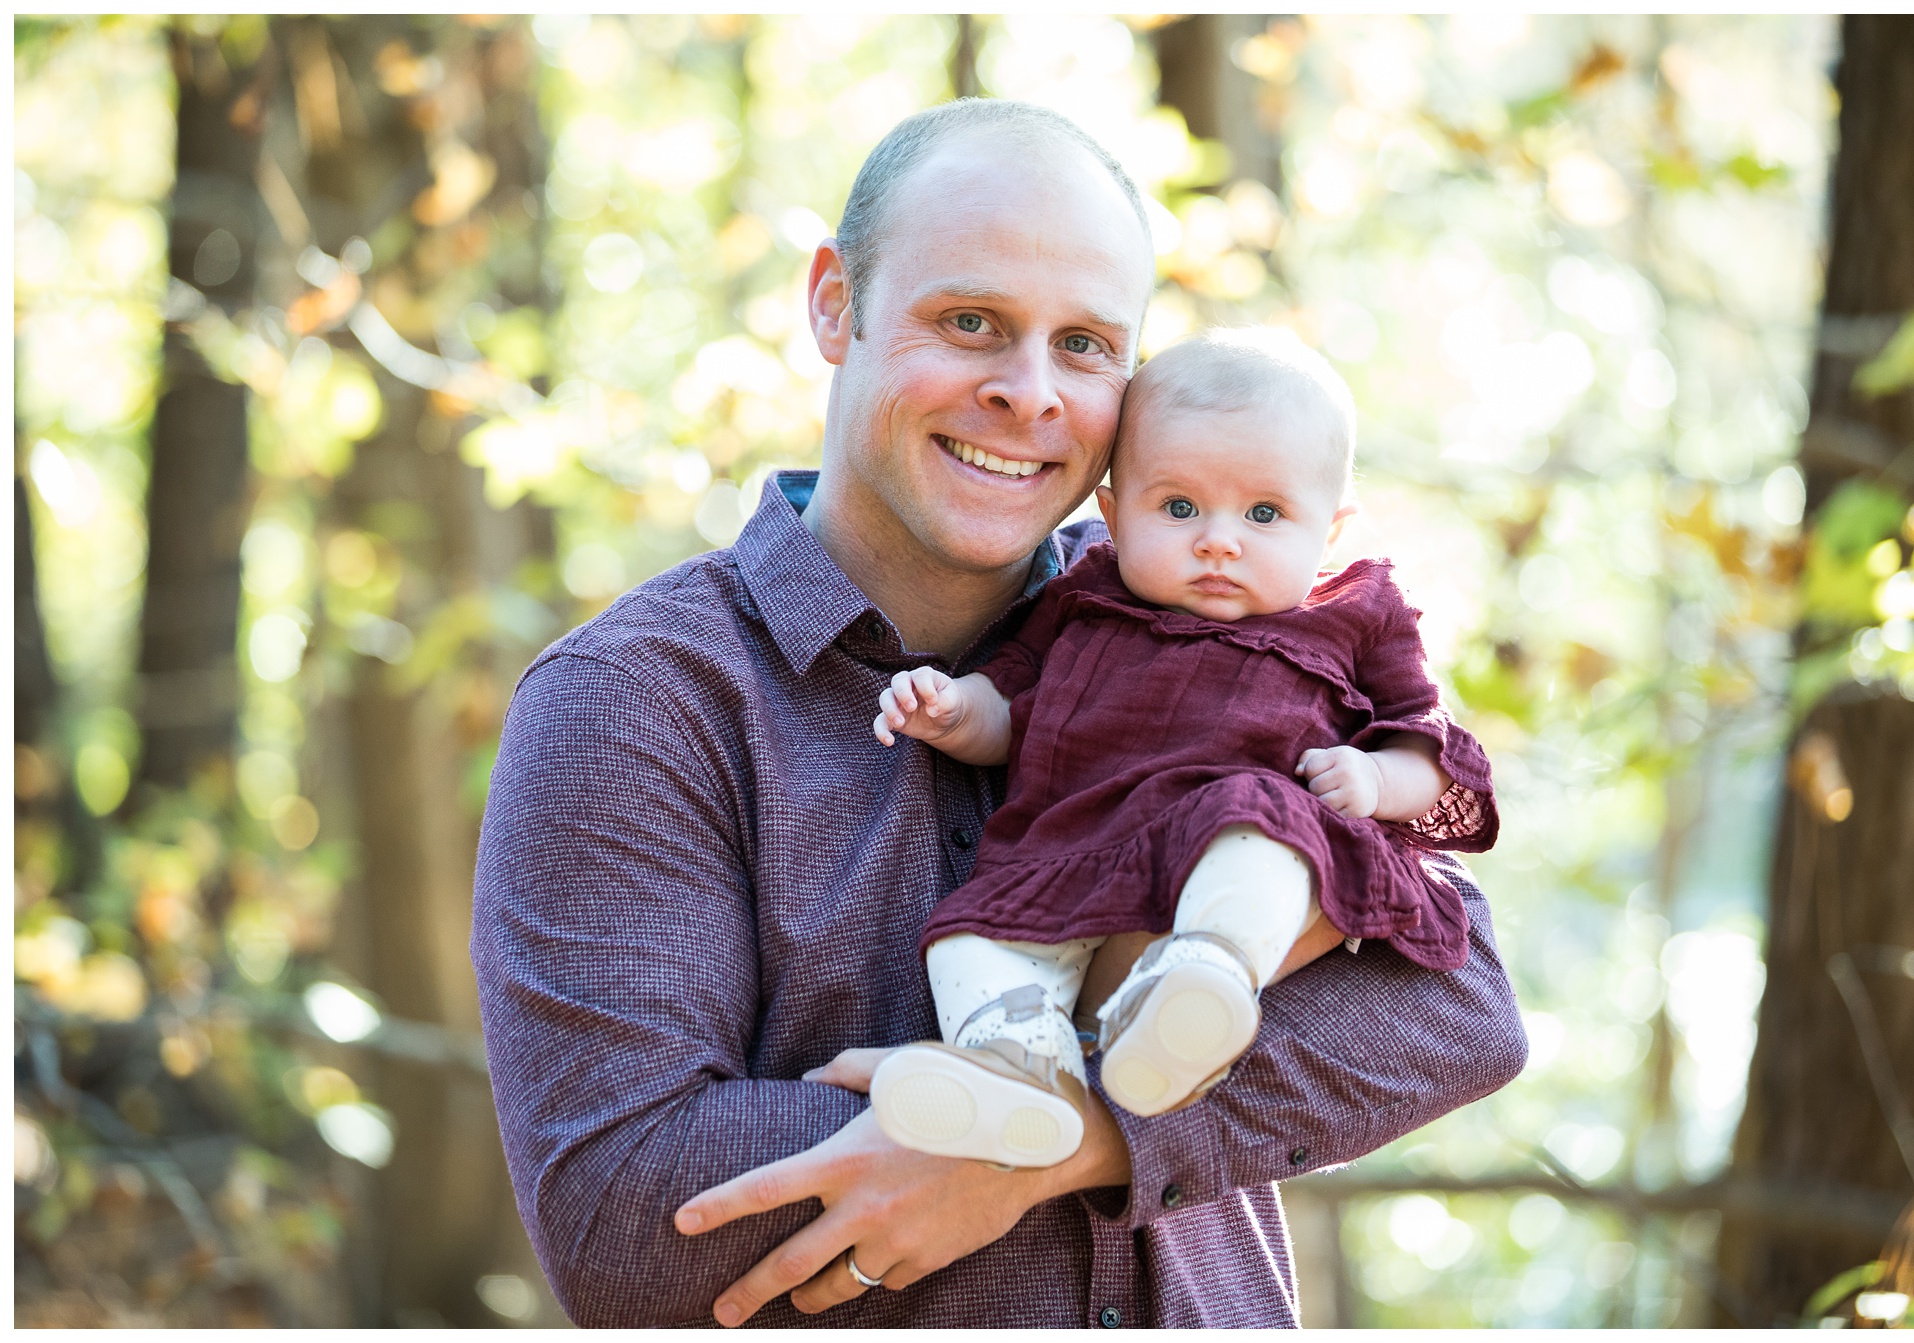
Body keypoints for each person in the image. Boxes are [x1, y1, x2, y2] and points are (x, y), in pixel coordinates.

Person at [471, 98, 1527, 1329]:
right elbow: (625, 1213)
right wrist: (1083, 1110)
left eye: (1084, 346)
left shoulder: (1219, 626)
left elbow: (1455, 1002)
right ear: (833, 303)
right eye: (969, 322)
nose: (1028, 395)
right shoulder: (635, 705)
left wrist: (1062, 1132)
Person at [866, 328, 1498, 1170]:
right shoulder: (1083, 599)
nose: (1219, 540)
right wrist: (951, 710)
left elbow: (1428, 747)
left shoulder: (1358, 612)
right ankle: (1019, 1066)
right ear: (1114, 513)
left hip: (1243, 830)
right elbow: (1011, 711)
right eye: (1178, 508)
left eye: (1265, 515)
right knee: (970, 935)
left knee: (1265, 839)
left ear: (1332, 530)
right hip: (1072, 852)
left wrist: (1374, 778)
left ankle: (1200, 981)